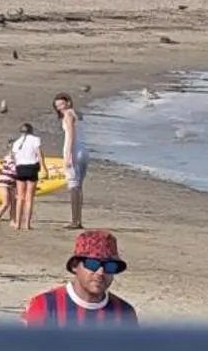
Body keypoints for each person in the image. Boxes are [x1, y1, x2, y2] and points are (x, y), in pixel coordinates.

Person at [23, 230, 138, 325]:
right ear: (75, 266)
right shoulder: (45, 306)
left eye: (110, 266)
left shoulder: (125, 314)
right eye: (93, 264)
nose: (100, 272)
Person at [54, 93, 88, 231]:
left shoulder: (68, 115)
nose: (60, 108)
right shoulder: (77, 114)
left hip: (74, 151)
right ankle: (78, 219)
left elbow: (71, 135)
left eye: (61, 104)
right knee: (78, 187)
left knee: (74, 186)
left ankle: (75, 221)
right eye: (57, 106)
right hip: (83, 151)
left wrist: (67, 156)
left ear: (68, 102)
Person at [10, 122, 45, 231]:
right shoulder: (35, 139)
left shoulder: (16, 143)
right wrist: (43, 167)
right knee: (29, 197)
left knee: (20, 197)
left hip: (20, 168)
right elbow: (39, 154)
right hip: (32, 168)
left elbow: (14, 158)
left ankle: (18, 224)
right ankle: (27, 224)